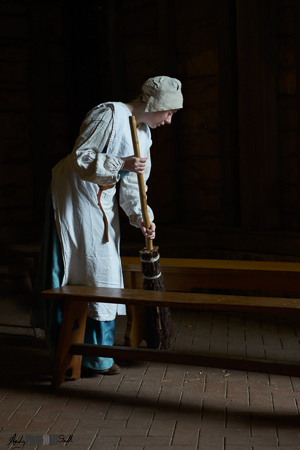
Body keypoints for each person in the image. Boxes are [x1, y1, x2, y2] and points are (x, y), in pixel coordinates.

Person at [31, 75, 183, 375]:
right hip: (74, 197)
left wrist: (143, 218)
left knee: (104, 271)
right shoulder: (110, 114)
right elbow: (81, 158)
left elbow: (134, 186)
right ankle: (68, 350)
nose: (168, 120)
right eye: (169, 112)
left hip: (100, 199)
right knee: (77, 267)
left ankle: (97, 354)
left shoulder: (144, 134)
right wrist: (120, 163)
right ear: (156, 104)